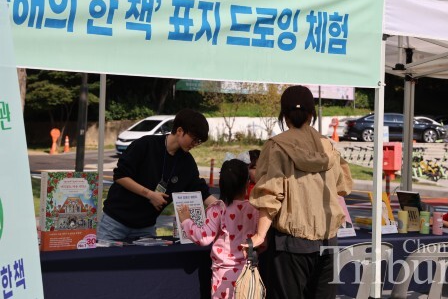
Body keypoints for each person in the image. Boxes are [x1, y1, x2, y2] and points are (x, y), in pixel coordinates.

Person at [246, 85, 353, 299]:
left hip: (292, 244)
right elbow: (343, 186)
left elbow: (270, 196)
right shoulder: (328, 147)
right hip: (328, 241)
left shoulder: (277, 146)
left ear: (284, 115)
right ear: (311, 114)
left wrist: (259, 235)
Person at [97, 108, 217, 241]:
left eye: (199, 141)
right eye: (194, 139)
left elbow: (202, 192)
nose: (195, 144)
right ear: (179, 131)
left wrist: (225, 209)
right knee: (105, 261)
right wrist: (150, 194)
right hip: (114, 223)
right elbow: (120, 176)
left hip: (146, 227)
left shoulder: (187, 163)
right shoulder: (145, 145)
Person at [177, 159, 259, 299]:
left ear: (221, 184)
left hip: (222, 275)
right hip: (249, 273)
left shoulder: (218, 209)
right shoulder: (255, 209)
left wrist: (186, 220)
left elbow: (203, 238)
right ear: (247, 183)